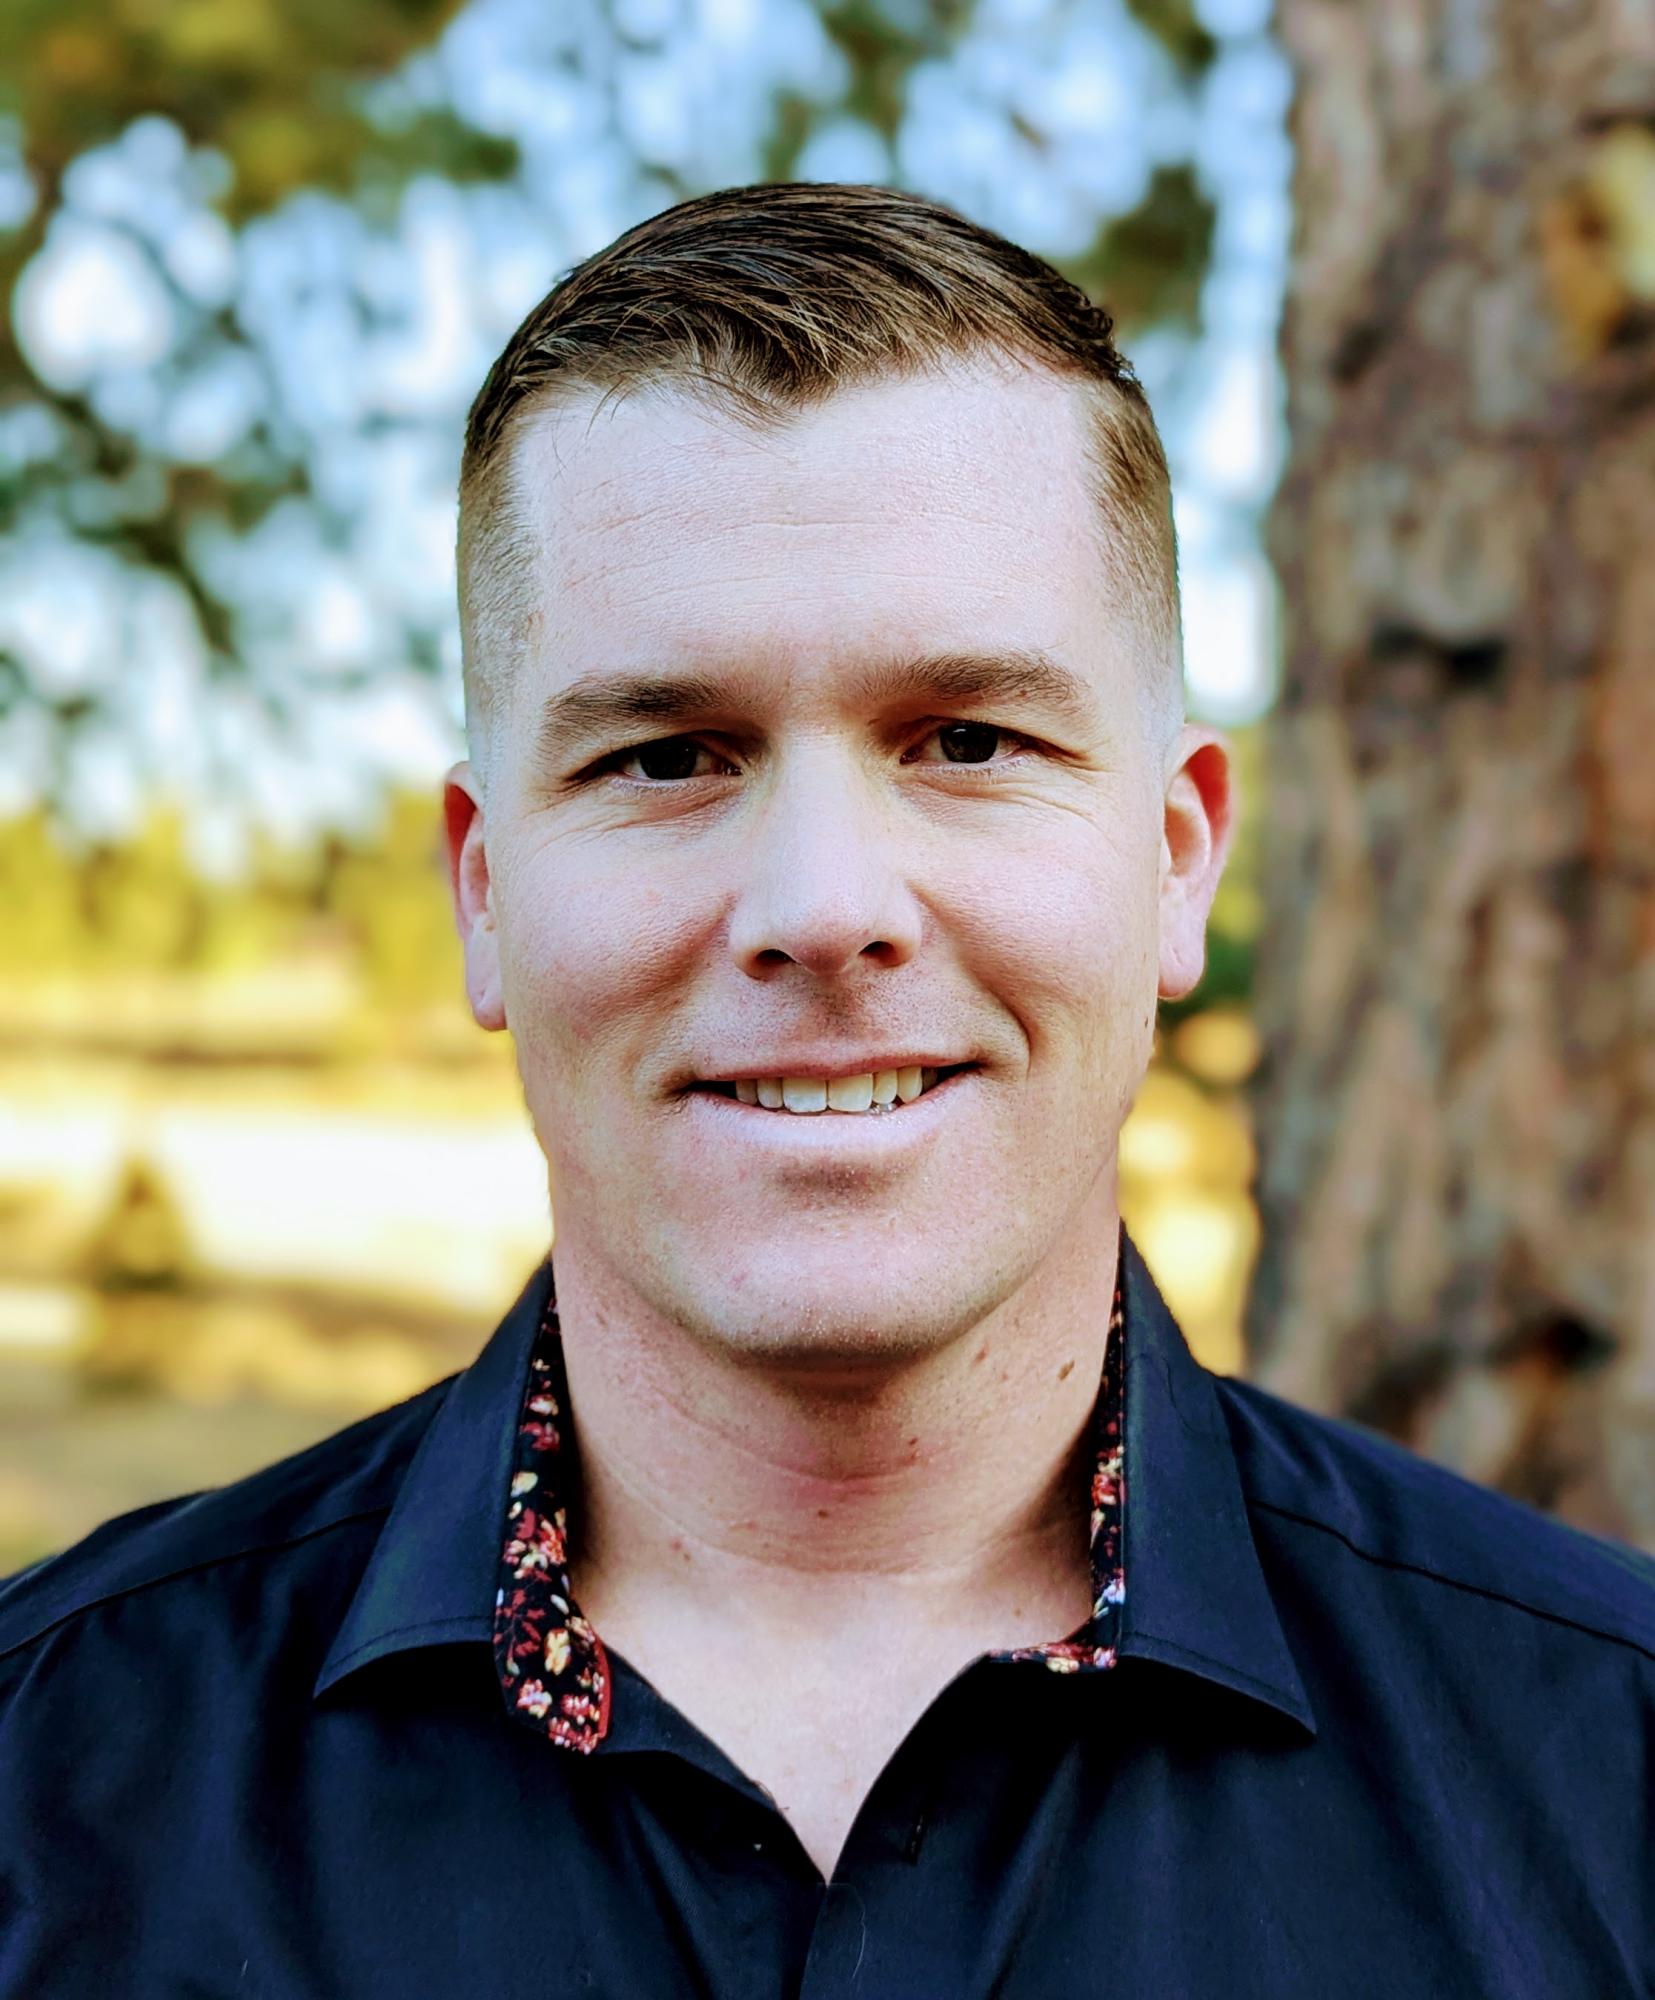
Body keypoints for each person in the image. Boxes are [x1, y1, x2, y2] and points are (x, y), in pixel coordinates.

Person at [1, 182, 1650, 1999]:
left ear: (1176, 859)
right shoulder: (45, 1792)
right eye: (665, 757)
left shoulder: (1610, 1776)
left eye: (966, 741)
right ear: (482, 892)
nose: (823, 911)